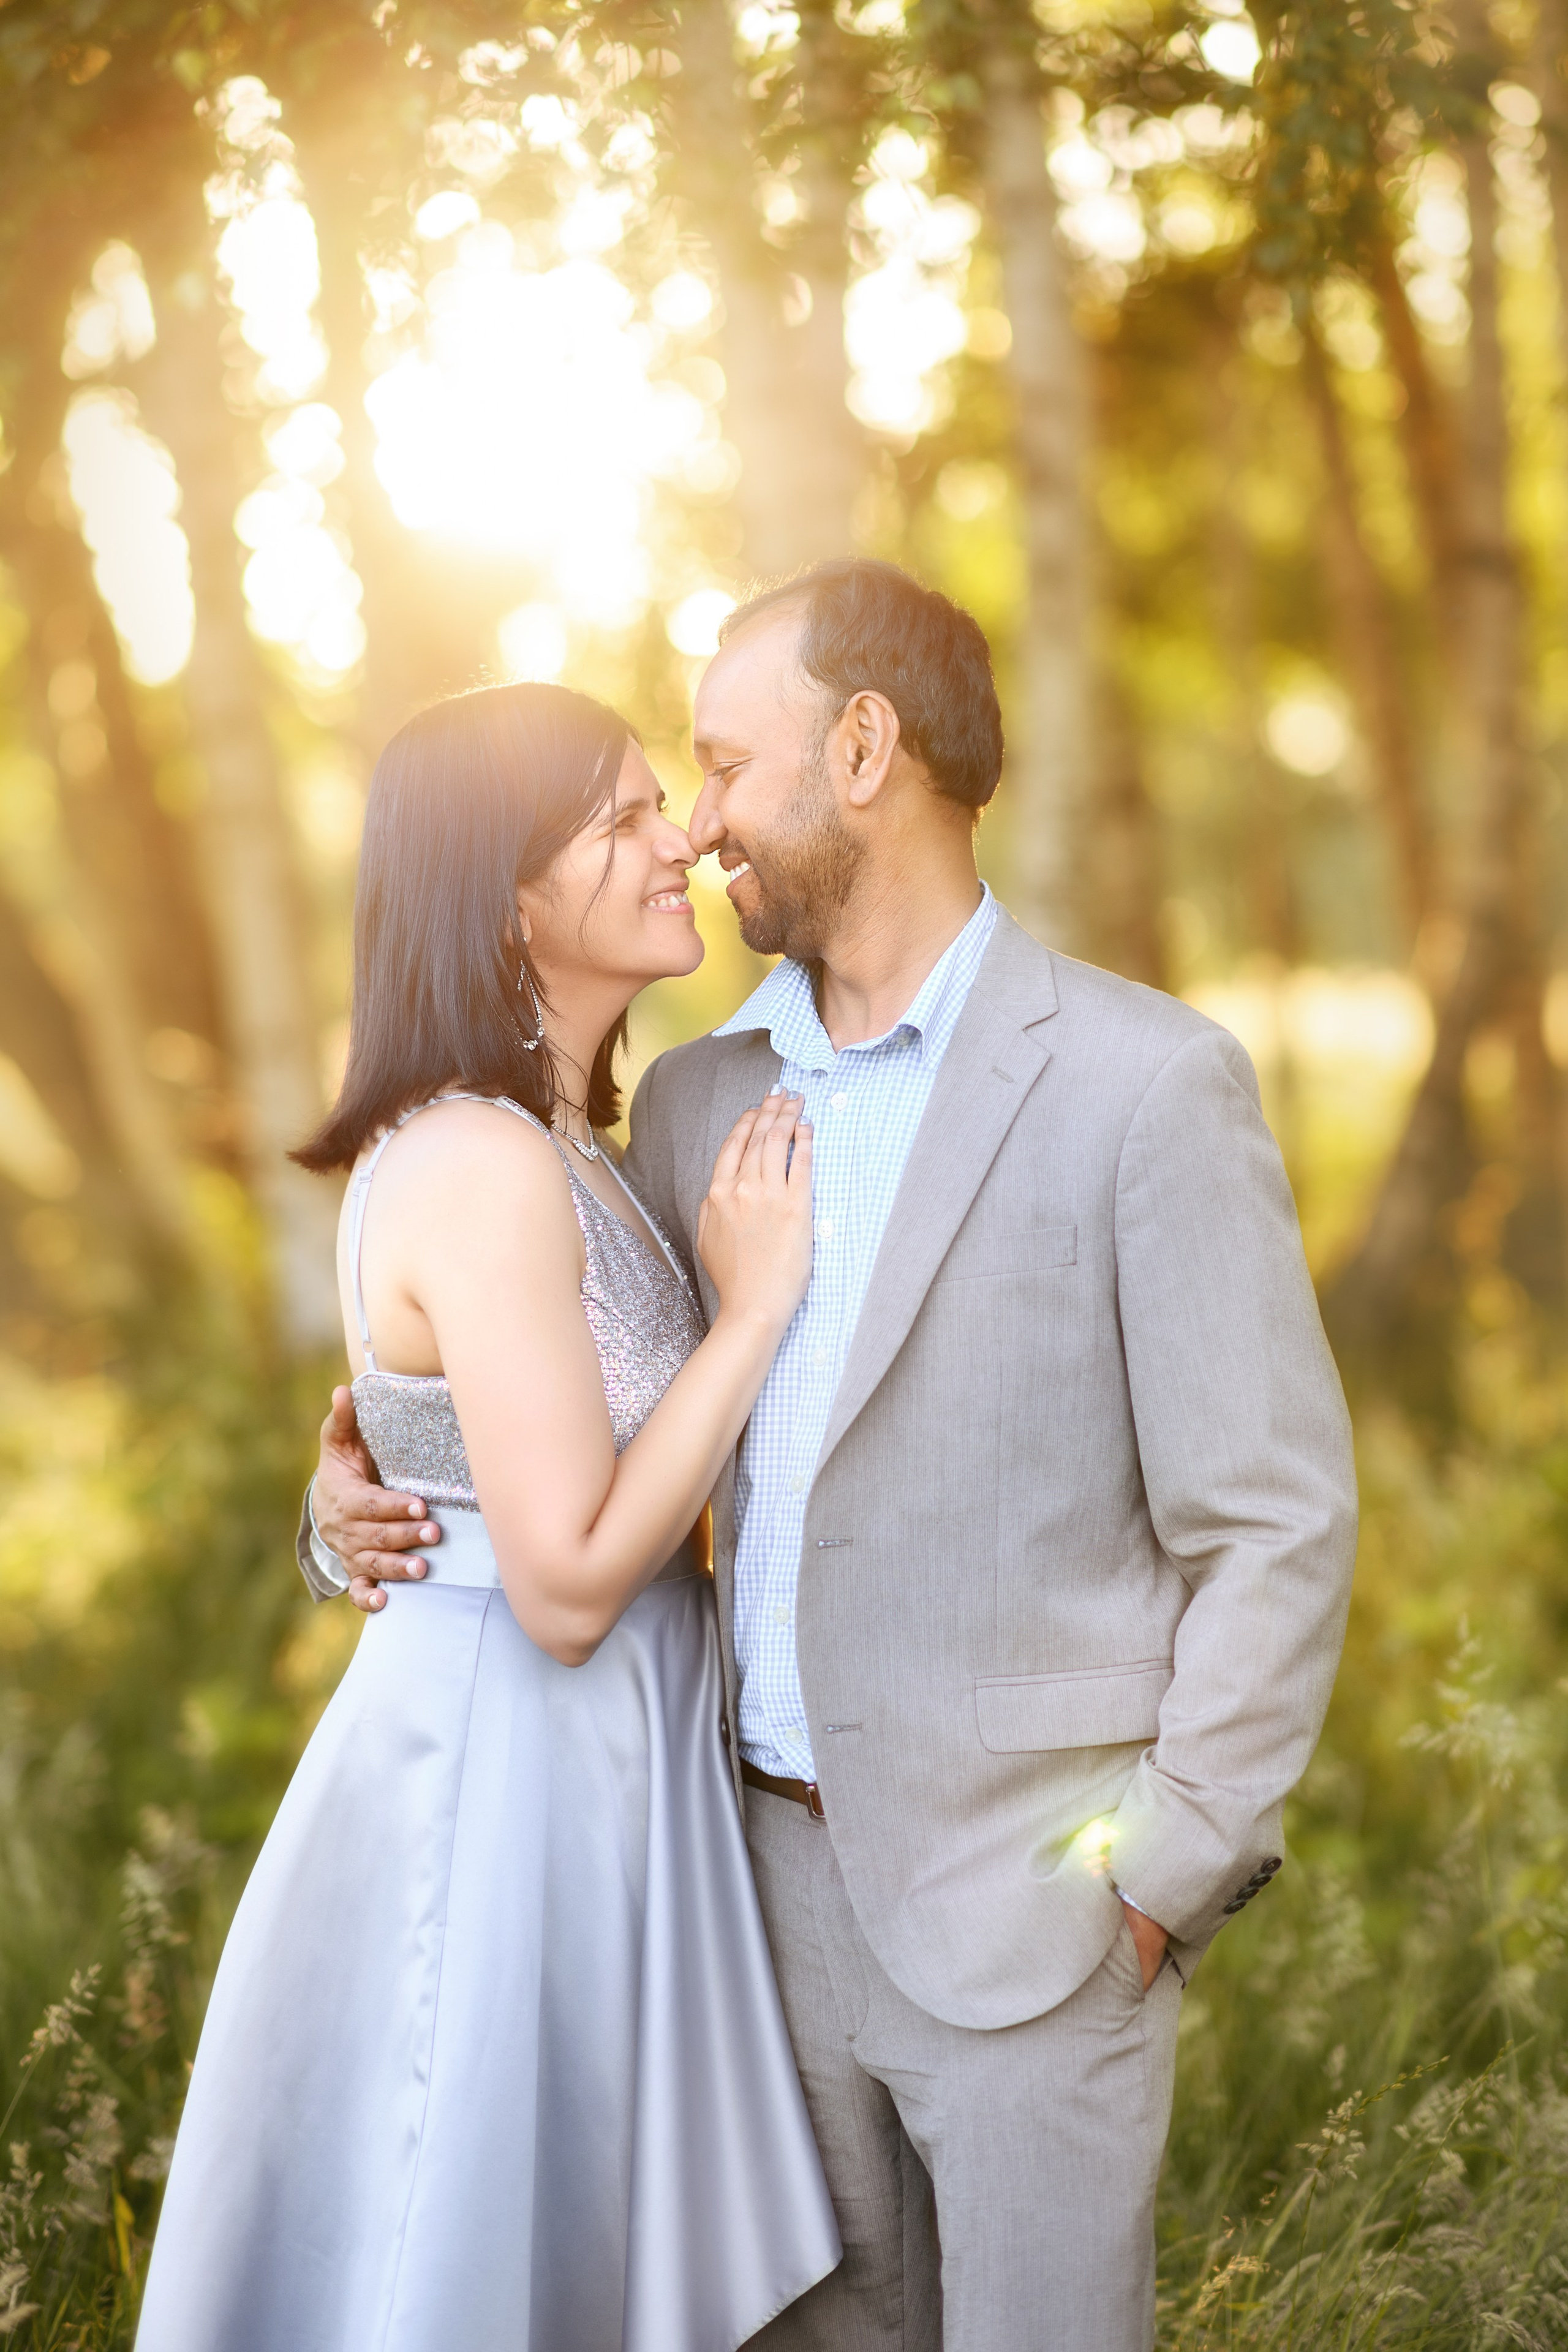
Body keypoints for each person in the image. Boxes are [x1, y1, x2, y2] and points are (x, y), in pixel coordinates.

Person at [309, 562, 1359, 2352]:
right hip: (742, 1917)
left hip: (1043, 1931)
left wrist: (1161, 1878)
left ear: (863, 748)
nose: (699, 827)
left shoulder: (1143, 1084)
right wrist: (352, 1492)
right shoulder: (699, 1102)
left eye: (720, 767)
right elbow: (558, 1396)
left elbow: (1274, 1523)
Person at [137, 683, 841, 2352]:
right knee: (457, 2254)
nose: (679, 838)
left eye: (661, 801)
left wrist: (353, 1482)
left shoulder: (563, 1147)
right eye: (620, 820)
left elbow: (466, 1452)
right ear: (503, 891)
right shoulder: (480, 1161)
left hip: (596, 1766)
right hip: (516, 1770)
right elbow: (573, 1585)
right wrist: (750, 1312)